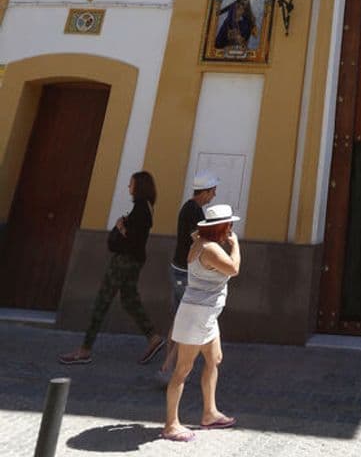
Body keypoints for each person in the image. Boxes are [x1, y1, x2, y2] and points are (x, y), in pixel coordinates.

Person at [59, 171, 164, 366]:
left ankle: (84, 350)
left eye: (131, 184)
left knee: (102, 302)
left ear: (139, 186)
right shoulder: (147, 207)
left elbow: (133, 239)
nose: (129, 187)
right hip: (134, 261)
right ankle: (153, 337)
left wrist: (120, 227)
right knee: (129, 300)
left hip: (124, 262)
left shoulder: (141, 209)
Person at [162, 203, 241, 442]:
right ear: (221, 227)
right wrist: (236, 245)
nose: (232, 228)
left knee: (214, 359)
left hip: (206, 315)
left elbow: (199, 236)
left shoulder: (200, 243)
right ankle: (171, 425)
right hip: (197, 315)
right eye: (229, 225)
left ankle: (209, 413)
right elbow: (234, 268)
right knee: (182, 370)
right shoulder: (210, 250)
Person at [157, 171, 218, 385]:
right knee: (185, 319)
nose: (213, 196)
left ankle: (168, 364)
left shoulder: (189, 208)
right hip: (185, 272)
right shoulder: (194, 211)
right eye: (212, 192)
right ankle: (168, 368)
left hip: (178, 269)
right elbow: (196, 239)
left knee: (177, 318)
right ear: (206, 192)